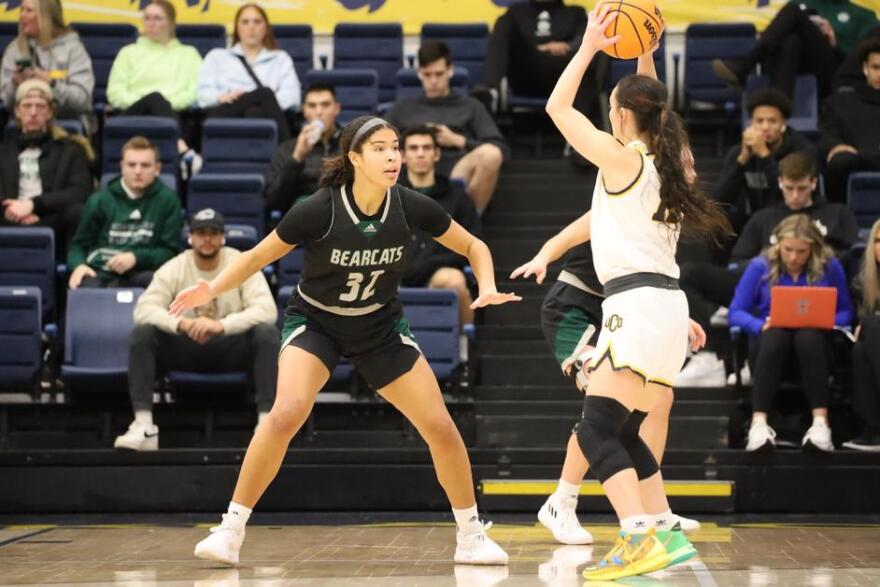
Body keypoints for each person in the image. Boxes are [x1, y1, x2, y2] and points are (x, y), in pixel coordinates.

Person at [170, 116, 520, 567]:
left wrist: (486, 285)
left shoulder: (410, 205)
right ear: (354, 158)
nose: (393, 156)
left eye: (395, 147)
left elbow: (475, 246)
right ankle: (231, 530)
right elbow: (257, 256)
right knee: (286, 414)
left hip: (379, 327)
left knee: (439, 425)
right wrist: (211, 289)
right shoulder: (319, 208)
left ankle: (471, 536)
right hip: (317, 323)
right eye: (380, 148)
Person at [526, 5, 731, 580]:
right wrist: (645, 55)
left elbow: (556, 108)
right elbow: (654, 105)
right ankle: (659, 525)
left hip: (635, 305)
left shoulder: (621, 160)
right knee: (620, 426)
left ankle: (639, 539)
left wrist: (590, 44)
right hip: (667, 307)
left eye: (615, 108)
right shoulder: (672, 167)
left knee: (595, 428)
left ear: (619, 116)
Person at [678, 152, 858, 387]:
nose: (795, 195)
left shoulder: (838, 213)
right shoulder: (765, 217)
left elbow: (852, 255)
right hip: (763, 281)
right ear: (780, 182)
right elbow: (739, 258)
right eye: (789, 187)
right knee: (689, 274)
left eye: (801, 188)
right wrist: (771, 263)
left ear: (813, 183)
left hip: (814, 283)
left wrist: (811, 257)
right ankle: (709, 354)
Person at [114, 208, 279, 452]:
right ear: (190, 237)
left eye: (214, 233)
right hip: (186, 347)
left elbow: (267, 310)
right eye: (201, 233)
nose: (207, 238)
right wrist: (181, 323)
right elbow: (143, 309)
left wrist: (221, 325)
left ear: (223, 237)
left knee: (267, 333)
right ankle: (143, 425)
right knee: (143, 333)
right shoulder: (176, 266)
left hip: (229, 348)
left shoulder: (239, 263)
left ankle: (267, 425)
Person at [730, 214, 853, 453]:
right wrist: (760, 325)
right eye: (788, 250)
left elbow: (847, 312)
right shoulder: (760, 266)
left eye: (801, 251)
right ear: (778, 244)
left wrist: (826, 320)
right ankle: (758, 423)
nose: (793, 257)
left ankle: (821, 424)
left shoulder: (830, 267)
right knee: (775, 334)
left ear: (813, 249)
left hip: (813, 352)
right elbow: (736, 311)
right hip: (770, 350)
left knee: (808, 334)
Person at [385, 41, 510, 212]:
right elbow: (377, 143)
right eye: (428, 75)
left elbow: (501, 149)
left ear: (450, 70)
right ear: (419, 73)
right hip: (411, 172)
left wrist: (458, 140)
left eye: (439, 74)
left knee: (491, 154)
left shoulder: (470, 106)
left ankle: (467, 224)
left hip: (457, 170)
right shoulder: (401, 108)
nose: (434, 80)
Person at [67, 136, 182, 289]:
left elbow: (170, 252)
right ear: (122, 167)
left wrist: (135, 257)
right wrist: (78, 266)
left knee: (158, 284)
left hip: (144, 271)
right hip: (100, 271)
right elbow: (78, 245)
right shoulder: (100, 200)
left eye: (145, 165)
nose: (138, 171)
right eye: (131, 165)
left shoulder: (168, 201)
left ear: (157, 169)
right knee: (85, 284)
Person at [106, 0, 203, 176]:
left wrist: (164, 105)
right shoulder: (128, 52)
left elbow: (194, 92)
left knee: (158, 100)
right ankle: (183, 151)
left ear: (171, 23)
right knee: (154, 98)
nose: (151, 23)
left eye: (158, 18)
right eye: (147, 18)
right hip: (133, 115)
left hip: (176, 115)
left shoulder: (189, 54)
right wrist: (149, 103)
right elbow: (114, 93)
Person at [398, 125, 480, 330]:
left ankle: (463, 351)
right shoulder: (386, 195)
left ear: (437, 154)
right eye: (414, 148)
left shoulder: (458, 197)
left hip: (437, 272)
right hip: (394, 274)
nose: (420, 153)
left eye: (426, 148)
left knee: (454, 280)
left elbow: (472, 244)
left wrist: (428, 265)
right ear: (403, 156)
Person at [712, 0, 878, 99]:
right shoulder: (802, 2)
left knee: (793, 12)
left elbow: (862, 60)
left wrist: (835, 41)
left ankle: (745, 67)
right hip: (795, 63)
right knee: (790, 40)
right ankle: (779, 108)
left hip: (834, 71)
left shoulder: (863, 15)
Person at [0, 79, 91, 249]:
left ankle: (73, 269)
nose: (33, 113)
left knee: (79, 211)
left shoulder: (71, 149)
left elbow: (80, 191)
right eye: (27, 106)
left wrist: (33, 205)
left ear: (50, 112)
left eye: (40, 106)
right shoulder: (3, 150)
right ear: (17, 112)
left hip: (52, 221)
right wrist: (13, 211)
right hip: (7, 218)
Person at [483, 0, 604, 125]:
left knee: (591, 49)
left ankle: (581, 137)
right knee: (503, 23)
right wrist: (539, 49)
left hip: (565, 74)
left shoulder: (576, 12)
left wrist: (568, 46)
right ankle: (490, 91)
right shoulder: (516, 12)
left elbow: (585, 39)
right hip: (527, 72)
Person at [197, 3, 298, 142]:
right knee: (265, 93)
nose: (251, 27)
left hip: (265, 116)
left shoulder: (280, 58)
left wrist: (256, 102)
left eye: (257, 21)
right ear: (237, 28)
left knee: (256, 110)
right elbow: (202, 97)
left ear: (266, 28)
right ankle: (288, 153)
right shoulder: (216, 56)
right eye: (245, 22)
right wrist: (221, 97)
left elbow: (292, 99)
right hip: (224, 113)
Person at [715, 88, 817, 226]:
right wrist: (742, 159)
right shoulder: (739, 152)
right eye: (759, 121)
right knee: (718, 225)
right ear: (751, 123)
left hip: (792, 219)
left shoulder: (801, 150)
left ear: (783, 124)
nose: (765, 127)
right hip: (755, 221)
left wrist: (764, 155)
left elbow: (789, 195)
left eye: (772, 121)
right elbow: (719, 200)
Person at [0, 0, 94, 123]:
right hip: (24, 125)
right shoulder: (15, 49)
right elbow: (6, 103)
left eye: (29, 11)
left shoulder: (72, 49)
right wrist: (14, 84)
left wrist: (51, 84)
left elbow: (83, 101)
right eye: (21, 10)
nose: (22, 16)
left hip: (65, 121)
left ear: (46, 16)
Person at [820, 36, 880, 202]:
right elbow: (827, 132)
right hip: (856, 160)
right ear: (865, 68)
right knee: (840, 161)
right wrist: (835, 145)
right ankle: (838, 216)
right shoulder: (841, 101)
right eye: (876, 67)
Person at [265, 84, 341, 213]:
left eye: (325, 105)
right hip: (300, 221)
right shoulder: (288, 148)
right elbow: (273, 201)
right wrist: (297, 158)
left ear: (336, 109)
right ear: (304, 110)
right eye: (312, 106)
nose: (318, 112)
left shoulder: (351, 145)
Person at [843, 218, 880, 452]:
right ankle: (873, 429)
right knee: (859, 350)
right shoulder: (863, 282)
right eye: (877, 240)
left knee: (873, 326)